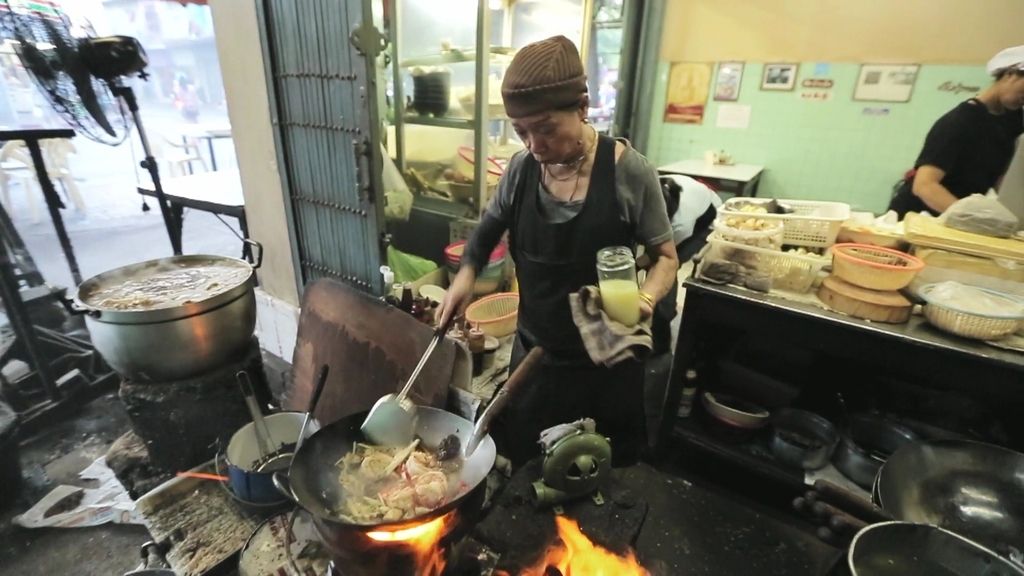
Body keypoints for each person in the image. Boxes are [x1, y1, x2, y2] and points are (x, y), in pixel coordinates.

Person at [437, 36, 678, 468]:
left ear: (582, 107)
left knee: (602, 475)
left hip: (607, 360)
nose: (534, 144)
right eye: (521, 131)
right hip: (535, 359)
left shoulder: (629, 171)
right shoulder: (520, 170)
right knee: (529, 473)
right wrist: (465, 277)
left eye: (546, 128)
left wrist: (646, 299)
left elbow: (665, 256)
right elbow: (486, 232)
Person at [889, 46, 1024, 217]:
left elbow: (1002, 178)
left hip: (955, 218)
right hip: (917, 216)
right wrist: (971, 218)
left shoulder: (1014, 121)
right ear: (1010, 74)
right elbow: (924, 185)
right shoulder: (961, 120)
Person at [651, 174, 722, 354]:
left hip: (707, 222)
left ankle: (662, 330)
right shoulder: (649, 186)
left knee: (665, 267)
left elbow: (667, 258)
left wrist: (643, 263)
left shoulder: (681, 224)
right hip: (695, 199)